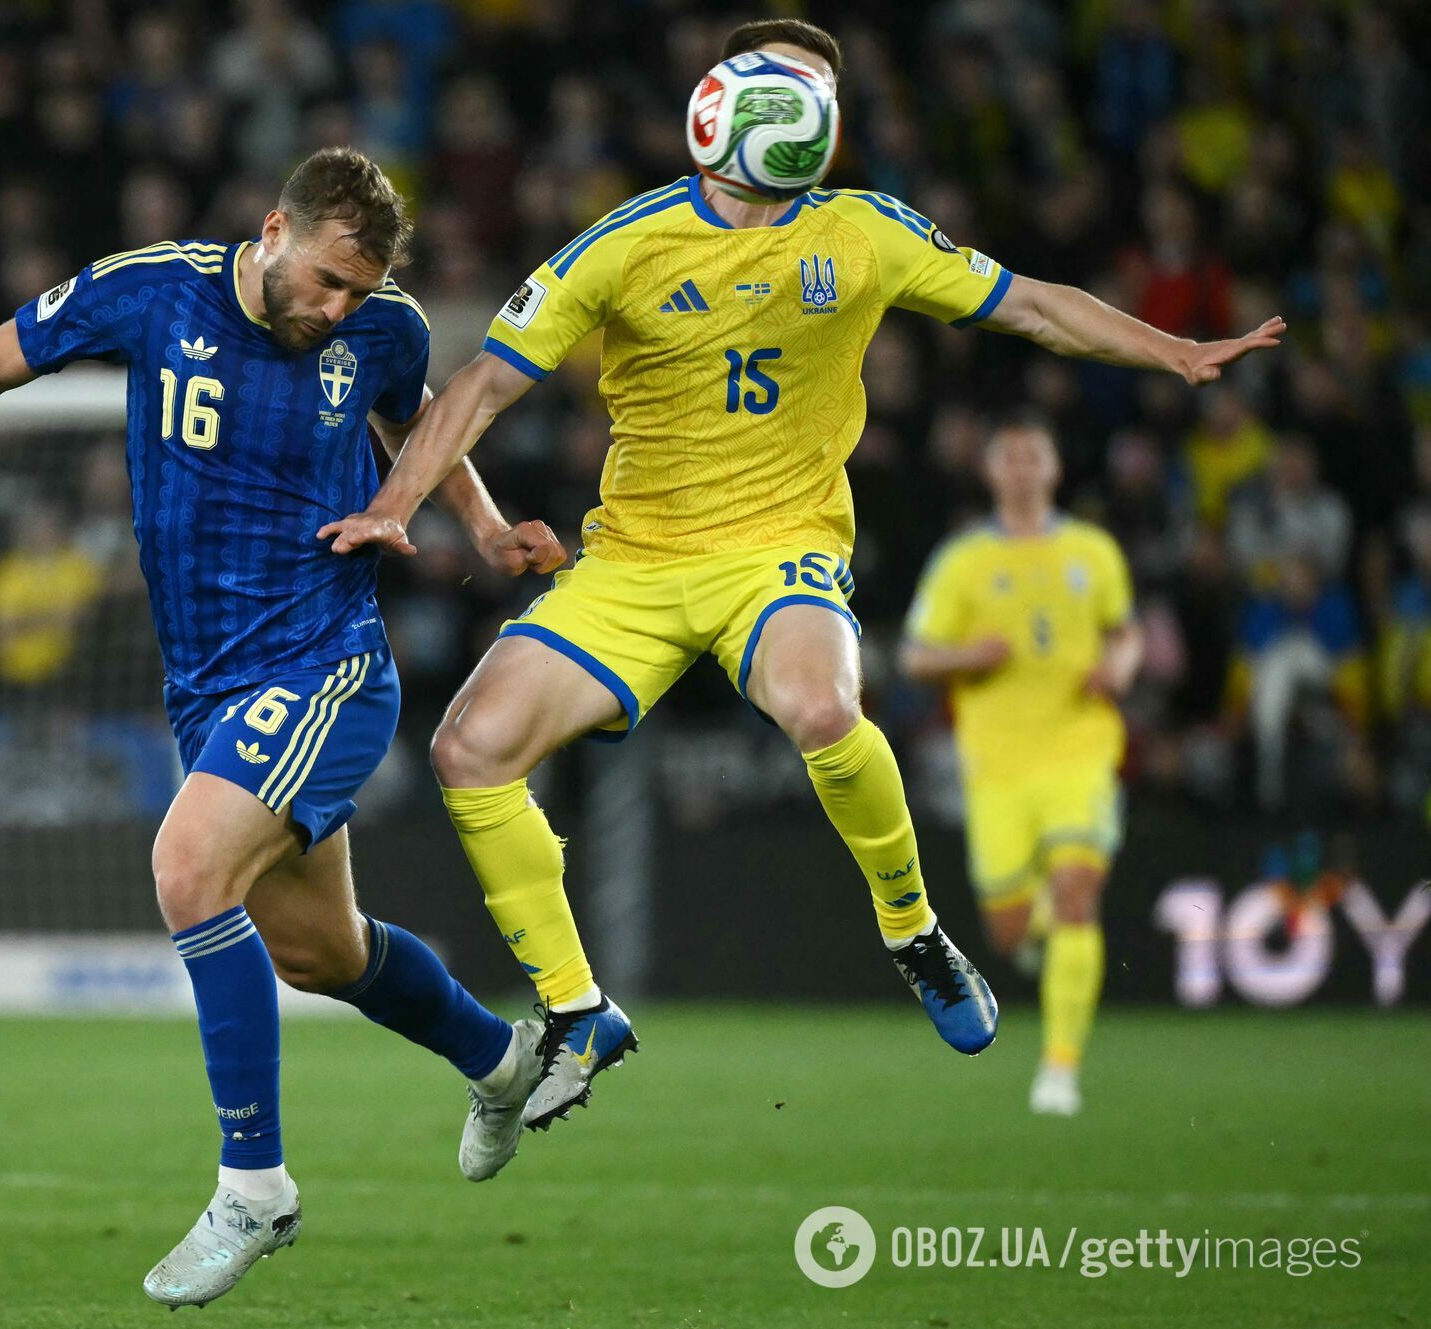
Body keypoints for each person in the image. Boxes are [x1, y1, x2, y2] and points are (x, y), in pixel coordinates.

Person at [320, 16, 1284, 1129]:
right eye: (787, 88)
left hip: (781, 548)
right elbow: (481, 385)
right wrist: (394, 505)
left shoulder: (865, 232)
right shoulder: (623, 245)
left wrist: (1168, 348)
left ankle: (911, 926)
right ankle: (578, 1010)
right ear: (728, 103)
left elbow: (1024, 300)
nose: (809, 112)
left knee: (823, 704)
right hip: (634, 561)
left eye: (821, 94)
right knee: (467, 749)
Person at [0, 148, 566, 1309]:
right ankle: (499, 1060)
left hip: (326, 665)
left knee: (186, 866)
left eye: (359, 291)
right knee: (321, 952)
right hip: (205, 683)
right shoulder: (154, 288)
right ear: (272, 233)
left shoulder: (384, 332)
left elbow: (420, 430)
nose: (339, 308)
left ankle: (252, 1183)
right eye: (328, 281)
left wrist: (488, 534)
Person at [902, 419, 1143, 1115]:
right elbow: (917, 654)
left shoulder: (1091, 550)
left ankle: (1060, 1068)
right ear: (990, 472)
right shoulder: (962, 562)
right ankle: (1045, 934)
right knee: (1009, 931)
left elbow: (1125, 631)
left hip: (1080, 749)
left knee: (1076, 891)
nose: (1022, 467)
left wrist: (1119, 668)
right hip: (997, 767)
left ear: (1055, 467)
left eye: (1034, 454)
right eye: (1009, 456)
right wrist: (967, 657)